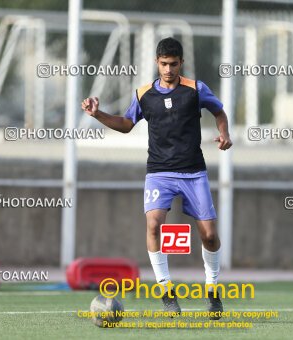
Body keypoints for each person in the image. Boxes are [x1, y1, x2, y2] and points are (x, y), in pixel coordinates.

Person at [81, 37, 232, 319]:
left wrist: (224, 133)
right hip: (159, 172)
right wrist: (97, 113)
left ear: (181, 63)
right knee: (154, 225)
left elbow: (219, 112)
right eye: (164, 64)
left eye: (173, 64)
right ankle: (166, 292)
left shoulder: (196, 89)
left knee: (209, 235)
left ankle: (212, 292)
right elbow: (127, 124)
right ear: (156, 62)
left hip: (192, 171)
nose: (168, 69)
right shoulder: (144, 94)